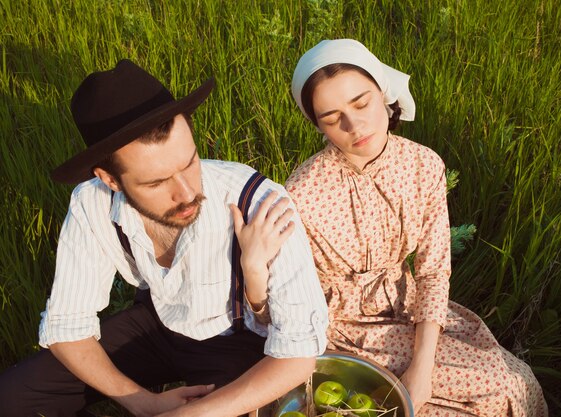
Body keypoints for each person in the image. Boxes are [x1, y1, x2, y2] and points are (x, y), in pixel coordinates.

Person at [0, 59, 328, 417]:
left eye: (189, 162)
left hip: (236, 345)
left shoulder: (258, 201)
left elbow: (298, 355)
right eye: (156, 183)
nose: (186, 192)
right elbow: (68, 327)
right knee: (13, 396)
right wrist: (139, 400)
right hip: (155, 325)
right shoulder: (92, 201)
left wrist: (187, 415)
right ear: (110, 180)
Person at [285, 39, 548, 416]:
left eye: (362, 103)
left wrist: (421, 368)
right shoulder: (301, 192)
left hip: (409, 309)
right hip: (341, 330)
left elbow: (433, 271)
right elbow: (289, 297)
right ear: (317, 124)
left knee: (509, 383)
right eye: (331, 118)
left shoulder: (422, 165)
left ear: (383, 92)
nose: (354, 125)